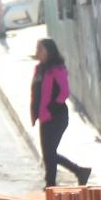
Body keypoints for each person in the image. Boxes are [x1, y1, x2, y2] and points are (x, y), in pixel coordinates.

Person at [30, 38, 89, 188]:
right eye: (37, 48)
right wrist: (35, 112)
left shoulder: (57, 69)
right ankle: (77, 173)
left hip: (57, 117)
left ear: (49, 51)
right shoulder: (39, 69)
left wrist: (51, 108)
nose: (37, 52)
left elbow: (64, 92)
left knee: (50, 153)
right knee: (47, 154)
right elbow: (35, 92)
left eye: (40, 49)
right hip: (44, 117)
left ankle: (52, 183)